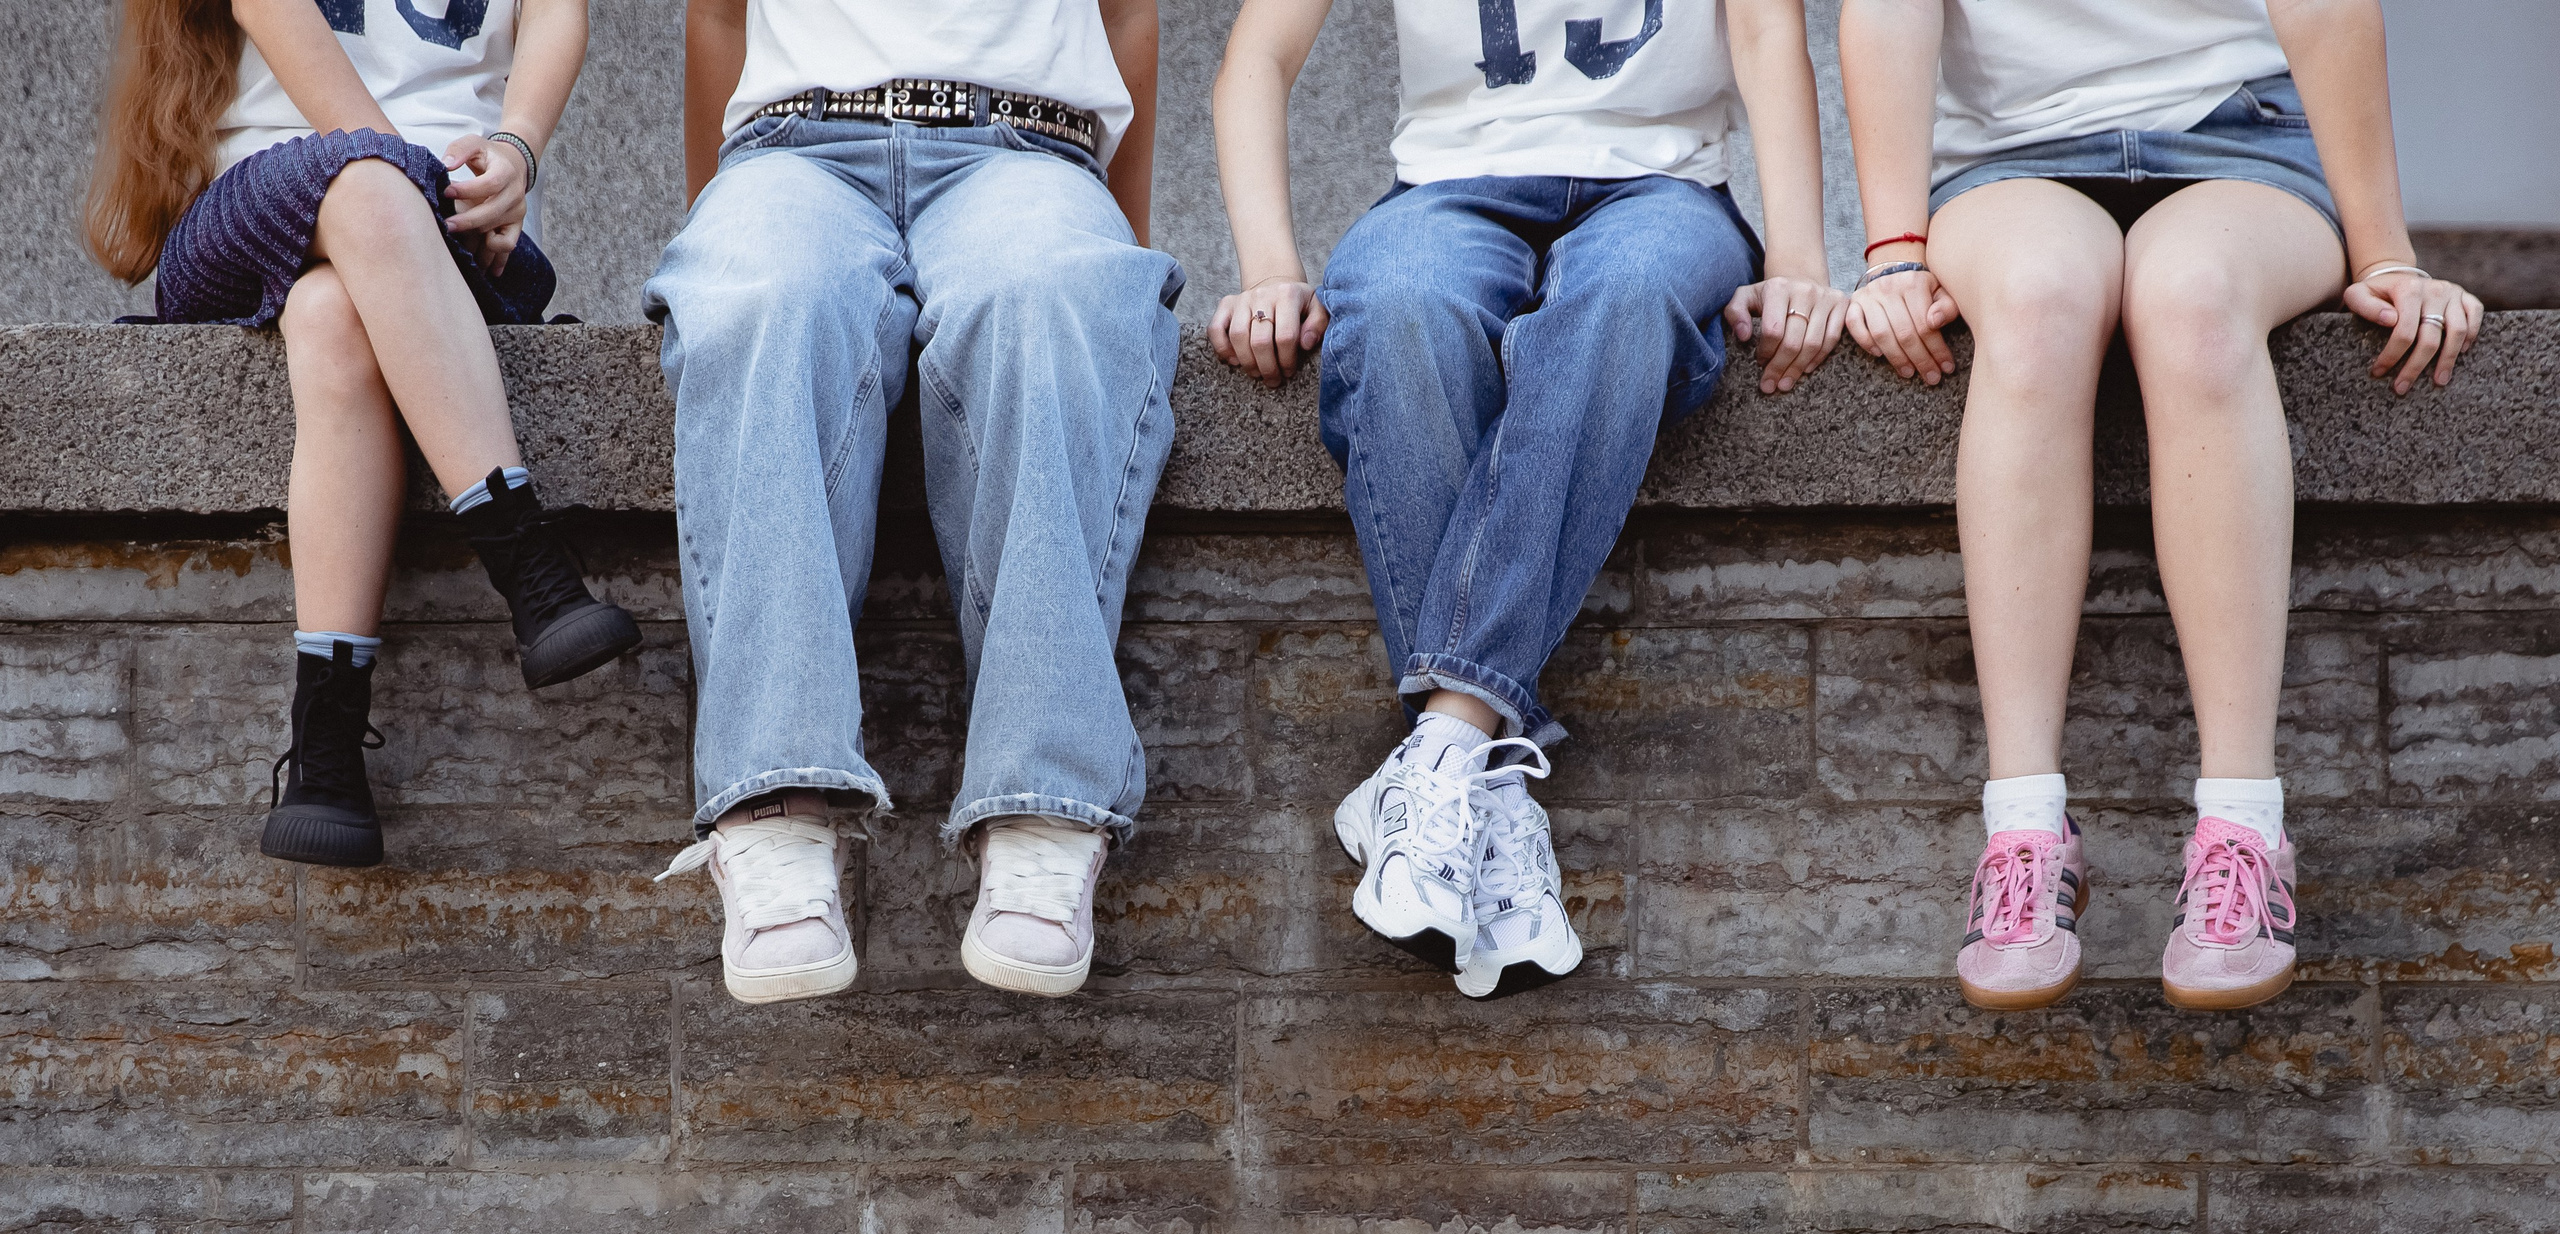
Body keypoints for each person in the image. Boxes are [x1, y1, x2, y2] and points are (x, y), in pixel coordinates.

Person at [1838, 0, 2482, 1011]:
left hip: (2243, 140)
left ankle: (2242, 824)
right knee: (2038, 300)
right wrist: (1893, 251)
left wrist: (2386, 252)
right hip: (2013, 152)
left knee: (2191, 301)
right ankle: (2022, 830)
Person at [1212, 0, 1845, 999]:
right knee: (1402, 309)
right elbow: (1256, 51)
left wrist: (1803, 261)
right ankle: (1491, 786)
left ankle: (1447, 739)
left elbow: (1768, 35)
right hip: (1444, 186)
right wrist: (1267, 269)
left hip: (1664, 189)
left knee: (1626, 297)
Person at [644, 0, 1179, 1005]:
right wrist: (719, 217)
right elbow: (715, 15)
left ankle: (1046, 807)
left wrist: (1113, 256)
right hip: (791, 147)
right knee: (762, 298)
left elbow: (1126, 15)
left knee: (1053, 292)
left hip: (1028, 146)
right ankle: (773, 809)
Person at [87, 0, 640, 870]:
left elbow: (555, 13)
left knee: (332, 316)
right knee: (371, 183)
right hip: (253, 195)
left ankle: (328, 744)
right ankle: (527, 561)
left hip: (453, 230)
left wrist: (517, 152)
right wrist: (400, 178)